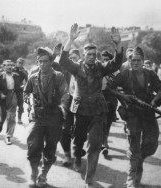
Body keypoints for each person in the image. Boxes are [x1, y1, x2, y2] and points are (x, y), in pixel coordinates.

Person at [59, 23, 123, 188]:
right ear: (84, 54)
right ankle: (78, 157)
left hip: (97, 109)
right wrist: (70, 39)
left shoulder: (100, 68)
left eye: (95, 54)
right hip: (80, 108)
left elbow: (116, 64)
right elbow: (63, 60)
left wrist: (117, 44)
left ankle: (89, 178)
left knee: (95, 144)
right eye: (89, 53)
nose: (92, 56)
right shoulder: (76, 67)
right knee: (79, 138)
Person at [108, 46, 161, 188]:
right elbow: (110, 88)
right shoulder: (124, 74)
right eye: (132, 60)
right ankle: (131, 180)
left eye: (138, 60)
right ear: (129, 61)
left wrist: (155, 100)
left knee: (152, 144)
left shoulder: (150, 73)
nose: (135, 63)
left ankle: (138, 159)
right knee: (134, 148)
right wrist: (123, 97)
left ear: (143, 61)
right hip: (132, 114)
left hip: (148, 113)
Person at [24, 47, 68, 188]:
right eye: (40, 62)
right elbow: (26, 93)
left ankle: (43, 175)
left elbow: (65, 95)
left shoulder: (59, 76)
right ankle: (33, 174)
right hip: (38, 117)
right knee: (33, 146)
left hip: (54, 117)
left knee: (50, 148)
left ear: (51, 62)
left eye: (45, 61)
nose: (42, 64)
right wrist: (29, 101)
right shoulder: (33, 78)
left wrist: (63, 108)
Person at [60, 48, 82, 166]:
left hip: (81, 101)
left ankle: (77, 152)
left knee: (80, 129)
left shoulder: (84, 69)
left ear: (80, 59)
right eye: (71, 58)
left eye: (75, 58)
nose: (73, 61)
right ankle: (67, 155)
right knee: (64, 129)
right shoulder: (65, 70)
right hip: (68, 100)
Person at [0, 60, 21, 145]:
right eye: (7, 65)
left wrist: (21, 87)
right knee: (3, 116)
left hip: (13, 96)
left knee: (11, 116)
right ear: (3, 67)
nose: (9, 67)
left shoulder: (16, 76)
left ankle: (8, 136)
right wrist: (0, 94)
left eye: (11, 65)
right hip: (3, 97)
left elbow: (18, 87)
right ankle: (1, 122)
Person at [101, 50, 119, 158]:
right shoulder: (97, 69)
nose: (105, 62)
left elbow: (118, 86)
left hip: (110, 97)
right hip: (98, 96)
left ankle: (105, 142)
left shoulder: (116, 72)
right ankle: (102, 142)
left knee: (107, 122)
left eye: (107, 60)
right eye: (103, 60)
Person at [13, 57, 28, 124]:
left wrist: (24, 86)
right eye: (19, 62)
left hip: (19, 89)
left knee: (21, 105)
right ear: (16, 63)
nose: (20, 64)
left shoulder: (24, 71)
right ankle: (11, 117)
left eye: (21, 63)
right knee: (12, 104)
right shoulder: (12, 69)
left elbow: (28, 80)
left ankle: (19, 118)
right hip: (12, 89)